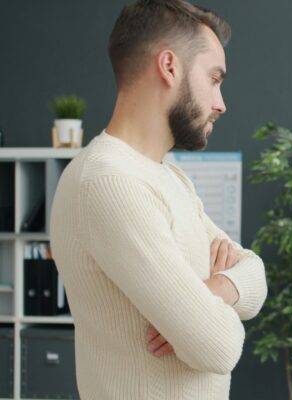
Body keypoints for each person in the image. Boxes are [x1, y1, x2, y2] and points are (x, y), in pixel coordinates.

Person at [50, 0, 267, 398]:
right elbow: (219, 347)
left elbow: (256, 274)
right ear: (169, 66)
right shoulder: (110, 183)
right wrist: (211, 309)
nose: (221, 103)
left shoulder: (168, 177)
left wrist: (210, 290)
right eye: (214, 79)